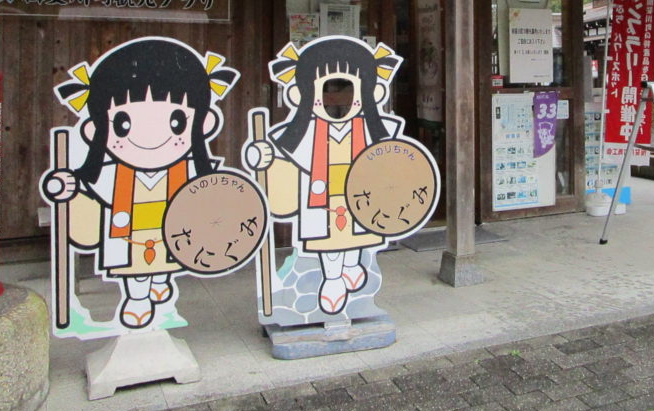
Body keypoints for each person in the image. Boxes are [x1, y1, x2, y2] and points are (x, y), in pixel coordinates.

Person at [41, 37, 238, 329]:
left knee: (168, 258)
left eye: (176, 121)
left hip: (176, 232)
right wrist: (68, 189)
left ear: (203, 123)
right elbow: (90, 202)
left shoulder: (188, 171)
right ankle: (137, 298)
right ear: (95, 129)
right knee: (134, 267)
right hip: (129, 232)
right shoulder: (112, 173)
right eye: (123, 124)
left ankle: (160, 280)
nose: (150, 138)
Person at [244, 37, 406, 315]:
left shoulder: (374, 130)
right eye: (327, 90)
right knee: (328, 239)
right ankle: (332, 279)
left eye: (347, 89)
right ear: (303, 94)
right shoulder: (304, 134)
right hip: (320, 197)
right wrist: (263, 157)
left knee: (358, 231)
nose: (337, 99)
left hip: (361, 194)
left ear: (371, 92)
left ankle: (352, 264)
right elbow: (285, 166)